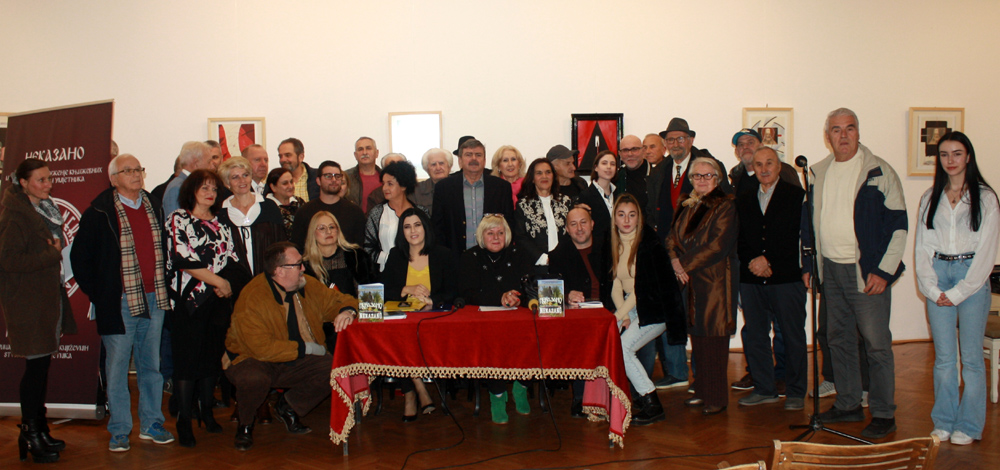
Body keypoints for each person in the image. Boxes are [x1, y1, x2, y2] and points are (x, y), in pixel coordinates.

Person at [806, 108, 907, 439]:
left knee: (876, 345)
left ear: (858, 132)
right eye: (836, 130)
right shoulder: (819, 172)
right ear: (828, 136)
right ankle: (849, 403)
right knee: (838, 339)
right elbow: (810, 226)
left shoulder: (878, 171)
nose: (844, 135)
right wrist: (810, 267)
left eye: (850, 128)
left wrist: (883, 271)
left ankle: (883, 413)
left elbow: (898, 226)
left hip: (865, 272)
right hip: (831, 270)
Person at [71, 154, 175, 452]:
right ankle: (119, 429)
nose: (136, 174)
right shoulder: (99, 211)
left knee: (151, 365)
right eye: (128, 170)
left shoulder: (153, 204)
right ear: (114, 179)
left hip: (155, 297)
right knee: (117, 368)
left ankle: (152, 423)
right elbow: (80, 258)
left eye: (139, 169)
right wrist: (102, 294)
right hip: (119, 302)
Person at [225, 242, 359, 451]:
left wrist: (347, 311)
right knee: (254, 378)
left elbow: (341, 300)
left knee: (333, 368)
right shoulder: (253, 296)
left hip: (293, 358)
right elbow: (260, 348)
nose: (303, 268)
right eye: (298, 264)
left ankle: (288, 406)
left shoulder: (307, 285)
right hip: (252, 358)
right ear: (280, 271)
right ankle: (245, 424)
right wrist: (308, 349)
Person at [915, 131, 998, 446]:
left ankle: (970, 425)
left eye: (957, 153)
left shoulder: (985, 198)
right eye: (944, 154)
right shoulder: (929, 197)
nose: (950, 160)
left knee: (972, 358)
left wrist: (959, 292)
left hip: (971, 276)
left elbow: (987, 252)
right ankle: (944, 421)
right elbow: (922, 247)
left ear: (968, 157)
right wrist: (931, 288)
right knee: (945, 358)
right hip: (938, 274)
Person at [0, 158, 77, 463]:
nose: (48, 184)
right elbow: (8, 261)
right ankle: (30, 433)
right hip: (27, 302)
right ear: (23, 183)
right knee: (35, 370)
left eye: (49, 178)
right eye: (40, 180)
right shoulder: (14, 215)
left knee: (42, 367)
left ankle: (39, 428)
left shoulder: (41, 209)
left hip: (46, 298)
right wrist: (51, 255)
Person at [165, 169, 247, 447]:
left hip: (218, 303)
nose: (210, 193)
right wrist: (219, 282)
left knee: (211, 361)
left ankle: (207, 413)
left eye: (214, 188)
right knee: (187, 363)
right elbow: (182, 258)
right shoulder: (179, 219)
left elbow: (234, 260)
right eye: (204, 188)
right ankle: (184, 420)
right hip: (189, 303)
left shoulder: (221, 223)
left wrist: (227, 284)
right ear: (191, 191)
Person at [734, 147, 808, 412]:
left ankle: (796, 391)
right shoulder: (743, 198)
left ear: (779, 166)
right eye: (759, 164)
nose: (764, 169)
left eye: (769, 163)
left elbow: (796, 236)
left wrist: (769, 261)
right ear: (753, 168)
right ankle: (764, 389)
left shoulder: (796, 195)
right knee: (755, 336)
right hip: (751, 279)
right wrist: (754, 261)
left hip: (786, 278)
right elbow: (739, 237)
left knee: (792, 336)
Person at [667, 157, 738, 416]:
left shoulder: (725, 205)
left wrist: (682, 264)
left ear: (717, 179)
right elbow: (671, 238)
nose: (702, 180)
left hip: (714, 280)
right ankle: (702, 390)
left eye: (708, 176)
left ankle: (716, 397)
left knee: (714, 338)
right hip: (689, 281)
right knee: (697, 337)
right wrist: (674, 260)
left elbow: (718, 245)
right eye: (697, 176)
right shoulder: (686, 203)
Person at [609, 194, 681, 425]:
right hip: (633, 306)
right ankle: (628, 397)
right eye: (621, 215)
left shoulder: (648, 245)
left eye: (632, 215)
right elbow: (616, 284)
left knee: (623, 347)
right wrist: (622, 316)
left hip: (654, 307)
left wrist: (619, 316)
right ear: (614, 218)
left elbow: (640, 290)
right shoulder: (615, 242)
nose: (626, 220)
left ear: (639, 218)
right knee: (611, 341)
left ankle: (652, 403)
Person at [458, 214, 535, 423]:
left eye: (500, 233)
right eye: (490, 233)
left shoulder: (519, 254)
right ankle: (498, 396)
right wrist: (499, 298)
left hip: (517, 319)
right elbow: (467, 293)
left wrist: (518, 298)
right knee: (492, 343)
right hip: (486, 322)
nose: (496, 237)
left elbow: (530, 287)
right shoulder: (470, 257)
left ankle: (522, 386)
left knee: (536, 336)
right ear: (481, 236)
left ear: (507, 235)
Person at [382, 208, 457, 419]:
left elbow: (453, 290)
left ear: (425, 228)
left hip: (433, 321)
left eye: (417, 225)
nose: (413, 231)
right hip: (403, 320)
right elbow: (383, 289)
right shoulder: (396, 255)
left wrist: (433, 300)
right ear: (402, 232)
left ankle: (413, 392)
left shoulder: (442, 254)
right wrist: (406, 289)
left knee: (404, 339)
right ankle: (415, 390)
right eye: (407, 227)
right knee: (397, 337)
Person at [548, 207, 614, 417]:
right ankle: (580, 396)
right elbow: (550, 291)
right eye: (573, 224)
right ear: (567, 229)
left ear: (592, 224)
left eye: (583, 222)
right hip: (578, 316)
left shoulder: (609, 249)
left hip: (610, 311)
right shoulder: (558, 254)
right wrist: (567, 294)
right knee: (580, 338)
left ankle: (618, 393)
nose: (579, 228)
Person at [432, 138, 514, 256]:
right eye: (468, 155)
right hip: (455, 258)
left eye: (478, 155)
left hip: (492, 258)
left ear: (484, 160)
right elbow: (437, 228)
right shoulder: (444, 188)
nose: (474, 159)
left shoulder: (501, 187)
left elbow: (509, 225)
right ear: (460, 161)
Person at [218, 157, 287, 275]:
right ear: (227, 183)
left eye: (245, 175)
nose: (242, 180)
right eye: (235, 177)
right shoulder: (220, 213)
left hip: (268, 277)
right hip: (235, 279)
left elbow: (281, 245)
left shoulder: (269, 206)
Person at [364, 161, 427, 273]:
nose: (384, 188)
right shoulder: (377, 213)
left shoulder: (421, 213)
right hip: (387, 273)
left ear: (403, 186)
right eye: (383, 183)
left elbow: (430, 243)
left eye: (390, 184)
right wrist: (391, 260)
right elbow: (368, 248)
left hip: (419, 271)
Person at [513, 158, 572, 271]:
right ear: (532, 179)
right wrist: (544, 258)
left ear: (553, 176)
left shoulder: (566, 202)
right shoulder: (523, 205)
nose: (544, 176)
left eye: (548, 172)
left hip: (565, 263)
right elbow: (520, 237)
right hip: (536, 265)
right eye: (539, 173)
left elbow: (571, 232)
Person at [290, 161, 366, 249]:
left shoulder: (355, 212)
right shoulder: (304, 212)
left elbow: (360, 247)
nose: (334, 180)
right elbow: (298, 246)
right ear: (318, 181)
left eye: (337, 176)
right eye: (328, 176)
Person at [162, 141, 214, 215]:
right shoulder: (177, 188)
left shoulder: (192, 185)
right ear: (196, 164)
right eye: (209, 162)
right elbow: (175, 220)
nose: (211, 167)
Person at [574, 150, 617, 238]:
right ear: (596, 167)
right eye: (604, 163)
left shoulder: (618, 194)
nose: (609, 167)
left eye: (612, 164)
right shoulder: (586, 196)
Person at [345, 136, 382, 212]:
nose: (364, 152)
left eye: (368, 148)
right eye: (360, 149)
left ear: (377, 153)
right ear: (355, 155)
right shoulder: (345, 177)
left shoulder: (386, 178)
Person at [277, 137, 319, 202]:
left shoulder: (318, 177)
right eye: (280, 156)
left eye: (288, 155)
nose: (283, 160)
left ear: (301, 157)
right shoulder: (275, 180)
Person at [264, 167, 301, 238]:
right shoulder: (266, 208)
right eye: (285, 183)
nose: (290, 186)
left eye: (291, 182)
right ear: (273, 187)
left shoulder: (300, 202)